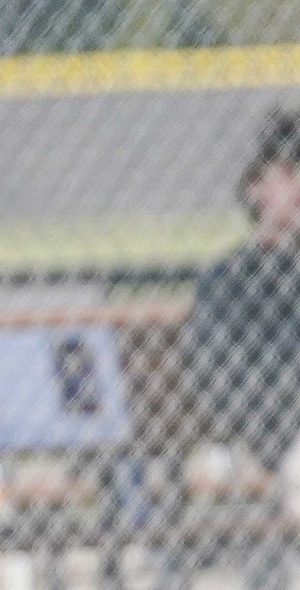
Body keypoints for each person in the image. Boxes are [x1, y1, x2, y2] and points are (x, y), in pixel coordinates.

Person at [172, 107, 300, 588]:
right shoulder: (230, 281)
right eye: (288, 173)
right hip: (266, 438)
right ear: (255, 189)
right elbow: (216, 377)